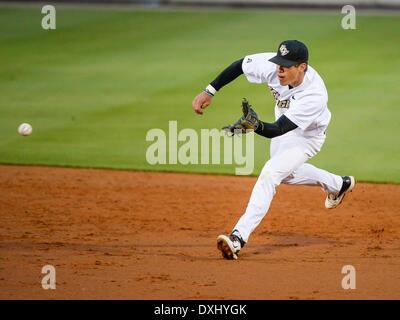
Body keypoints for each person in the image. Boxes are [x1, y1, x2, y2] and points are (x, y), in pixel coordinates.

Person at [192, 40, 356, 260]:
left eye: (286, 66)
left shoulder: (314, 95)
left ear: (302, 67)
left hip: (308, 136)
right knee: (287, 174)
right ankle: (339, 184)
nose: (280, 69)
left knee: (270, 172)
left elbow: (277, 130)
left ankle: (238, 237)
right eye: (279, 63)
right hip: (284, 124)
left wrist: (255, 125)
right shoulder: (274, 66)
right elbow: (240, 65)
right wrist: (209, 91)